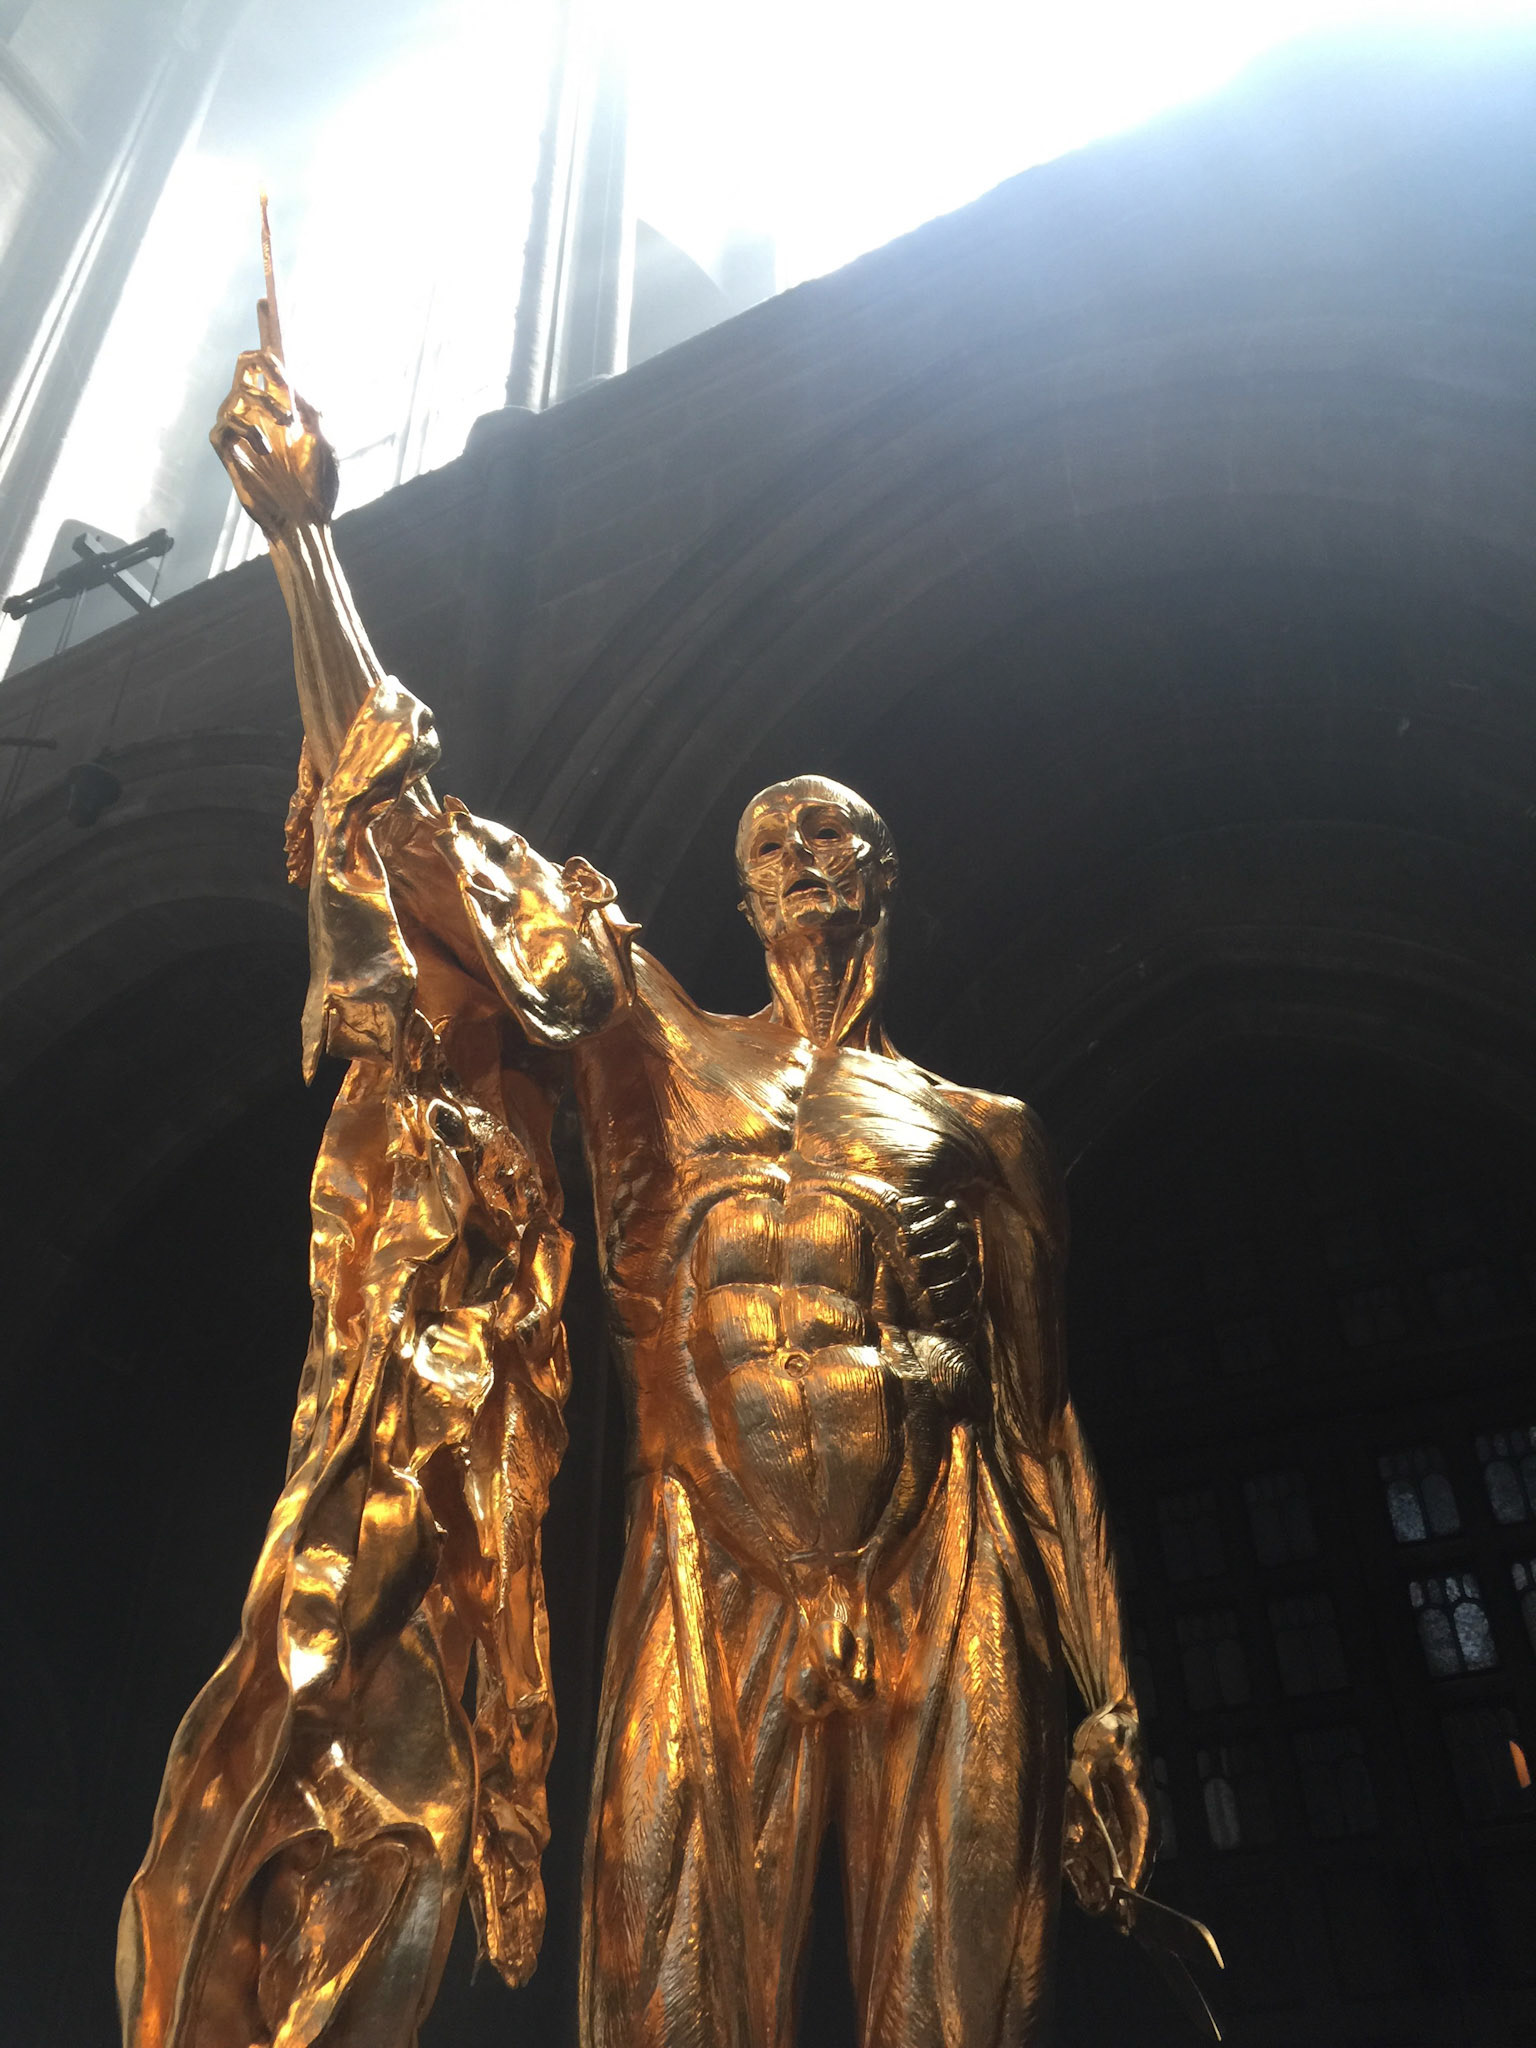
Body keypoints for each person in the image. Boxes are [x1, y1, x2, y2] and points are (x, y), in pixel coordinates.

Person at [128, 333, 1153, 2048]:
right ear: (741, 901)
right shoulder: (661, 1056)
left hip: (943, 1552)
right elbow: (417, 832)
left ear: (882, 872)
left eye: (828, 834)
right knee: (667, 2003)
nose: (800, 857)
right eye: (770, 845)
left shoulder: (984, 1131)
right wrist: (304, 539)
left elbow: (1044, 1430)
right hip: (708, 1544)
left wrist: (1110, 1706)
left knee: (958, 2008)